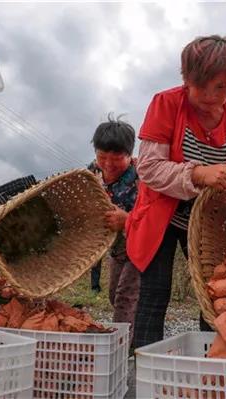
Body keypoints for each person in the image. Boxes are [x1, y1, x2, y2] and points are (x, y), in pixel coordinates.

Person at [126, 35, 226, 349]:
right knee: (154, 291)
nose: (211, 96)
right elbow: (150, 167)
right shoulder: (166, 103)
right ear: (186, 79)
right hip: (162, 217)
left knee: (212, 293)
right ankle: (144, 363)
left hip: (208, 221)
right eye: (201, 87)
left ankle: (209, 362)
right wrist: (199, 173)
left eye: (221, 87)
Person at [88, 115, 140, 346]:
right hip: (116, 249)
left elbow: (154, 216)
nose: (108, 164)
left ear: (129, 156)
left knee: (125, 297)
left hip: (140, 249)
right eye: (102, 157)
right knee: (113, 294)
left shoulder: (143, 177)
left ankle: (121, 346)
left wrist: (127, 220)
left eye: (117, 158)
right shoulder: (92, 173)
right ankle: (131, 333)